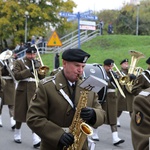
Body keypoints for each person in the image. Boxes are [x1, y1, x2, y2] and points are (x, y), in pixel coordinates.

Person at [26, 48, 106, 150]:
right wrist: (58, 135)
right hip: (53, 145)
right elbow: (34, 118)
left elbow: (102, 114)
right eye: (77, 65)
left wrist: (94, 114)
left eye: (83, 66)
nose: (80, 70)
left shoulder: (88, 87)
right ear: (64, 63)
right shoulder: (47, 86)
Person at [12, 46, 45, 148]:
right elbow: (17, 75)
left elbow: (41, 76)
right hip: (22, 90)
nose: (32, 56)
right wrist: (30, 70)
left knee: (33, 114)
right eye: (30, 54)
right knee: (20, 113)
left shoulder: (37, 62)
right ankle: (17, 133)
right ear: (26, 53)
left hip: (34, 90)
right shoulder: (19, 62)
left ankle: (35, 139)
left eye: (34, 54)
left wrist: (40, 70)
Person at [101, 59, 125, 146]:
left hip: (111, 97)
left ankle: (115, 138)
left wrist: (117, 78)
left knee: (113, 117)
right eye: (108, 66)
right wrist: (109, 80)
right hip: (102, 97)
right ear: (105, 66)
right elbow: (101, 84)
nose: (110, 68)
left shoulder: (115, 74)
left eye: (111, 66)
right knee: (99, 117)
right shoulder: (101, 73)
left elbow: (120, 85)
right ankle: (94, 133)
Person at [117, 59, 135, 127]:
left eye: (127, 63)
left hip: (130, 93)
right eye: (125, 63)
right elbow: (121, 81)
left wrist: (134, 77)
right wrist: (129, 77)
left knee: (132, 108)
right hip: (122, 92)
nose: (127, 64)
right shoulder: (118, 72)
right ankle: (116, 119)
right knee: (119, 108)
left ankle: (133, 122)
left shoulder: (131, 72)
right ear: (121, 65)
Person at [0, 49, 16, 129]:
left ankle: (13, 122)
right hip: (2, 84)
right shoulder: (1, 62)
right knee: (0, 104)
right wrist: (4, 68)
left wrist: (10, 68)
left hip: (10, 84)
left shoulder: (13, 63)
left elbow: (15, 73)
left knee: (12, 103)